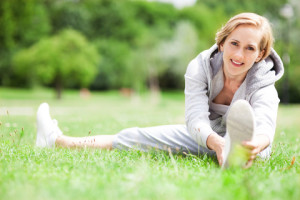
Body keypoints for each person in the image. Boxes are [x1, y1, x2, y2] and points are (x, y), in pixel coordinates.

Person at [36, 12, 284, 168]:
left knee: (260, 156)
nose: (239, 54)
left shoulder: (264, 85)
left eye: (250, 48)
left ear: (261, 54)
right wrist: (217, 144)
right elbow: (195, 119)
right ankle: (58, 140)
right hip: (205, 136)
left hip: (250, 146)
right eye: (234, 44)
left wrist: (253, 145)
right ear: (221, 43)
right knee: (134, 136)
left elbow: (265, 128)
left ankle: (239, 155)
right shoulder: (199, 67)